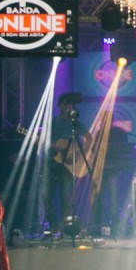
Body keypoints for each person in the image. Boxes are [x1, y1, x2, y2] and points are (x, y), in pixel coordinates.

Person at [47, 93, 88, 234]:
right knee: (45, 196)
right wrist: (53, 146)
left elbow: (89, 139)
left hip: (68, 166)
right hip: (52, 162)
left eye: (70, 104)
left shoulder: (76, 123)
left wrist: (77, 153)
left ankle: (66, 229)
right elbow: (47, 141)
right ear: (59, 105)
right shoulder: (53, 122)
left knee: (66, 198)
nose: (67, 107)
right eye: (64, 104)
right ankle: (53, 225)